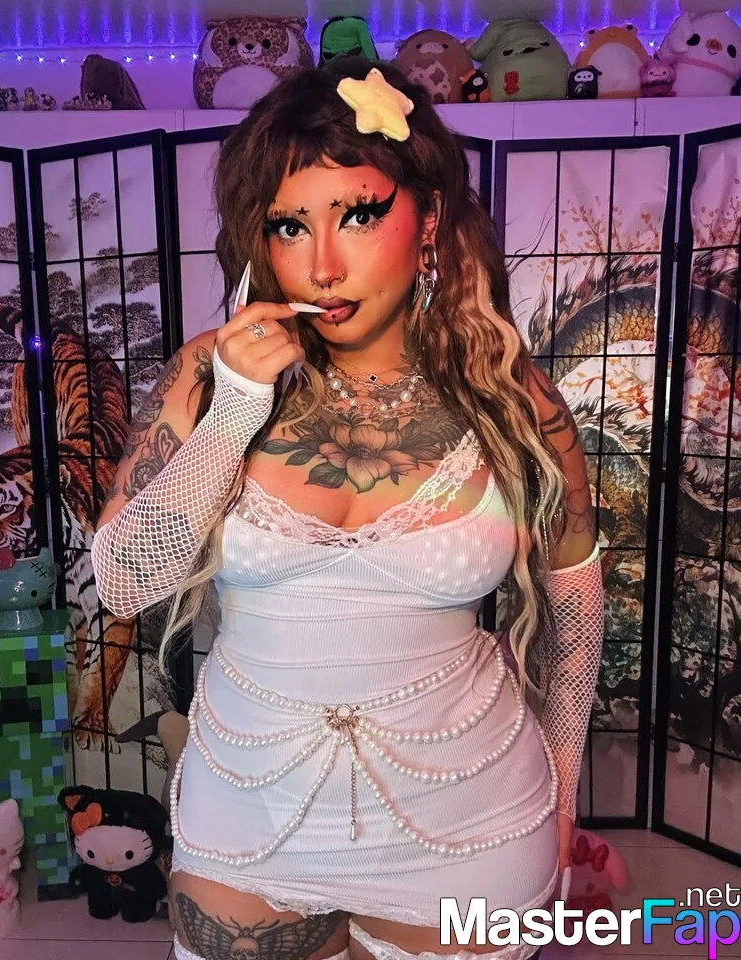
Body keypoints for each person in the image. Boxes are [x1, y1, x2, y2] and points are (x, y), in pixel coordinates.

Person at [91, 60, 603, 960]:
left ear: (428, 217)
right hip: (247, 820)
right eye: (290, 225)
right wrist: (236, 411)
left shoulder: (508, 393)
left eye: (358, 215)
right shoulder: (209, 373)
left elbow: (575, 600)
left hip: (472, 826)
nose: (322, 265)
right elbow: (127, 583)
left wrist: (561, 788)